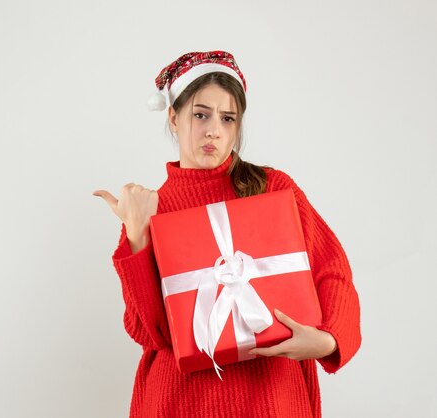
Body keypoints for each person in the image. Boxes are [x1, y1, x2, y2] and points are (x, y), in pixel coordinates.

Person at [93, 50, 361, 418]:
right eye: (200, 114)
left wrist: (328, 339)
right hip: (180, 403)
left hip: (272, 400)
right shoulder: (150, 207)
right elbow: (148, 333)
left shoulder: (273, 189)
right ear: (173, 116)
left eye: (228, 118)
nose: (213, 130)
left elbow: (332, 271)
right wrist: (137, 234)